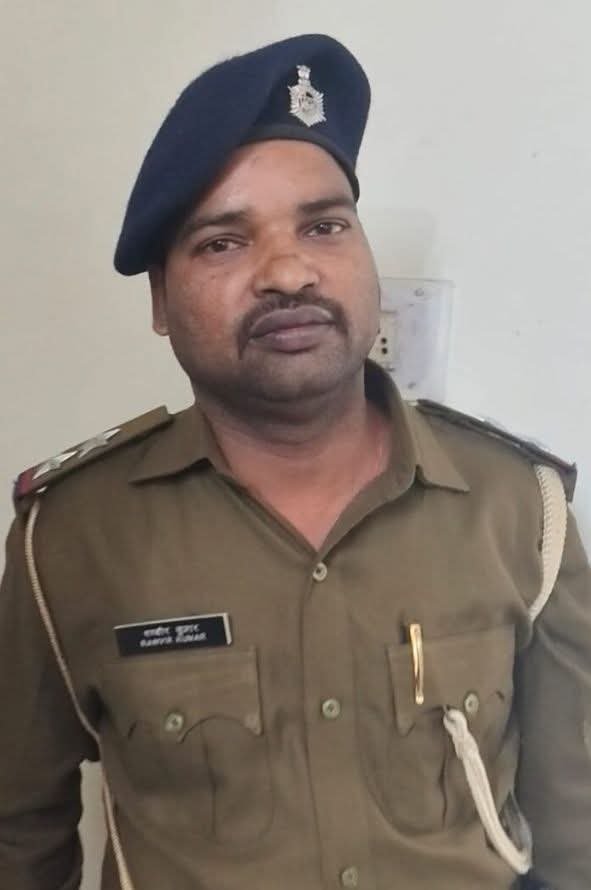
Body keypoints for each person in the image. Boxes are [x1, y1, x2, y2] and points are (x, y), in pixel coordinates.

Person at [0, 32, 589, 890]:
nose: (287, 272)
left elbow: (577, 825)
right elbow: (18, 829)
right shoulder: (71, 536)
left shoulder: (516, 506)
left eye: (323, 226)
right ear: (160, 301)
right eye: (221, 242)